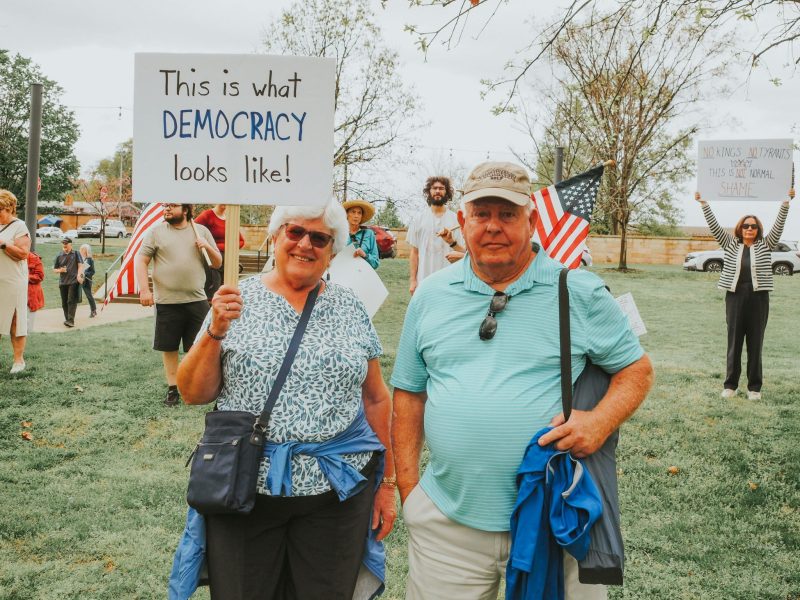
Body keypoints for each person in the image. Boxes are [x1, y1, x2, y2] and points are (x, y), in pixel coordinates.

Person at [391, 161, 654, 599]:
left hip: (556, 520)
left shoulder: (579, 291)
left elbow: (636, 370)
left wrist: (598, 422)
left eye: (508, 214)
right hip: (447, 527)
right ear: (463, 222)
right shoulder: (430, 296)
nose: (493, 226)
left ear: (530, 221)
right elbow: (409, 394)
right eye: (481, 213)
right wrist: (409, 491)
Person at [176, 201, 396, 599]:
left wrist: (386, 485)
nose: (305, 244)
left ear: (332, 250)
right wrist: (216, 330)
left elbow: (377, 399)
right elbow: (193, 393)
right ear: (276, 236)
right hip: (246, 489)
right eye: (295, 232)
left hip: (337, 493)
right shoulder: (235, 299)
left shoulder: (350, 306)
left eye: (320, 238)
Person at [695, 189, 794, 400]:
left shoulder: (766, 245)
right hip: (735, 297)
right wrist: (704, 203)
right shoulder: (731, 244)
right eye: (746, 226)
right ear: (740, 228)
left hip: (759, 298)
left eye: (753, 226)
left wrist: (786, 203)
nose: (749, 229)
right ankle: (730, 385)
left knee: (756, 343)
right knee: (734, 342)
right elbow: (714, 226)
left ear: (758, 230)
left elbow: (779, 225)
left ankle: (754, 388)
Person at [135, 203, 221, 407]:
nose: (166, 209)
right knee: (169, 347)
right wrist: (145, 290)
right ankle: (173, 388)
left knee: (200, 347)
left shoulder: (201, 231)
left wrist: (207, 246)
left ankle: (195, 386)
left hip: (197, 300)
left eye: (172, 205)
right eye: (165, 205)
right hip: (167, 301)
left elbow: (217, 263)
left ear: (185, 210)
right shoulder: (155, 232)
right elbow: (141, 260)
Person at [406, 176, 465, 295]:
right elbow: (414, 253)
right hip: (423, 281)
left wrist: (452, 242)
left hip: (449, 283)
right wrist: (413, 280)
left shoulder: (456, 220)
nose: (438, 191)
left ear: (447, 192)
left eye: (441, 188)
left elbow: (464, 253)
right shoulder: (418, 219)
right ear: (429, 191)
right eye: (434, 188)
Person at [0, 189, 31, 373]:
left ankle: (18, 361)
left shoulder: (19, 227)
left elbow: (23, 254)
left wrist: (4, 244)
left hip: (13, 281)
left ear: (10, 208)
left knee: (15, 319)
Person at [194, 204, 245, 291]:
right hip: (212, 260)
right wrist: (210, 246)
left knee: (227, 289)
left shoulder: (230, 218)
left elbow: (241, 241)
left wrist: (224, 247)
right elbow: (194, 229)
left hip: (227, 260)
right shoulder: (207, 215)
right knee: (214, 289)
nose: (225, 203)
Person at [53, 237, 84, 328]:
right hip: (63, 282)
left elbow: (81, 265)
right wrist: (60, 270)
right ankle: (68, 319)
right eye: (63, 243)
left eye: (66, 243)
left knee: (71, 300)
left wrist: (79, 275)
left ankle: (71, 320)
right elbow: (54, 269)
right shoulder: (59, 255)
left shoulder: (76, 253)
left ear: (71, 244)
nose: (64, 245)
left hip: (73, 281)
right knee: (64, 302)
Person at [343, 198, 380, 269]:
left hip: (362, 273)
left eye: (359, 213)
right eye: (353, 212)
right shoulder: (339, 233)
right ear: (347, 214)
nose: (356, 216)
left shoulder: (369, 234)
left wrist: (365, 255)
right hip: (342, 272)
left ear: (361, 216)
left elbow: (376, 263)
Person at [26, 251, 45, 333]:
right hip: (16, 293)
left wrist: (25, 276)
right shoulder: (12, 256)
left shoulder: (34, 258)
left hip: (30, 294)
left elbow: (40, 276)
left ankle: (28, 334)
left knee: (28, 322)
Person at [79, 244, 97, 318]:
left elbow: (92, 271)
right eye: (81, 249)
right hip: (78, 279)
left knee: (89, 295)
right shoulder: (79, 259)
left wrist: (85, 274)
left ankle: (93, 310)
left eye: (83, 249)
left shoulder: (89, 260)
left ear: (87, 251)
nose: (82, 251)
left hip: (86, 280)